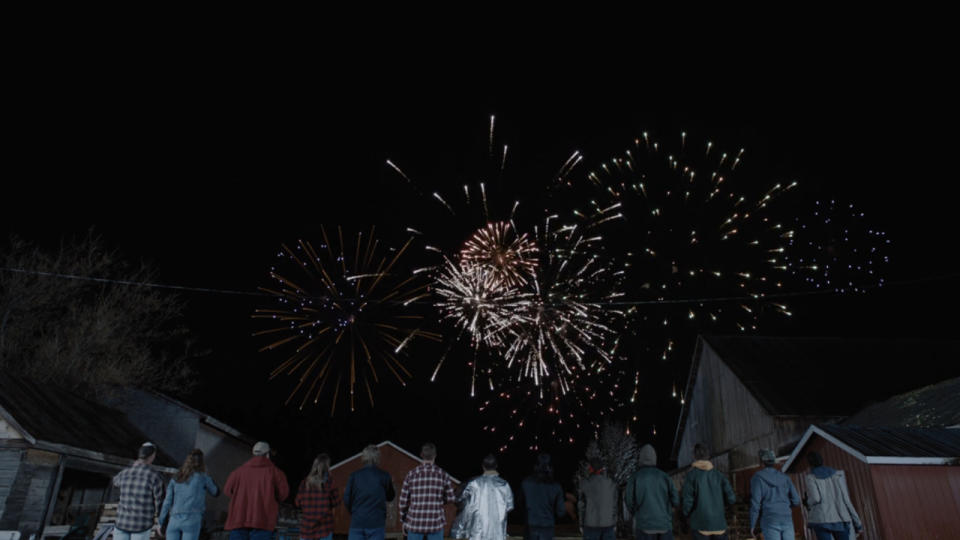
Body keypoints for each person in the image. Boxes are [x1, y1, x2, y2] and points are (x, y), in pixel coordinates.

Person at [224, 441, 290, 540]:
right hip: (263, 522)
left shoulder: (237, 472)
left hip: (239, 519)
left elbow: (227, 491)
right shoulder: (276, 473)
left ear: (253, 454)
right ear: (268, 455)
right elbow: (283, 495)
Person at [399, 443, 457, 540]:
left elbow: (403, 501)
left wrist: (403, 520)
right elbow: (451, 498)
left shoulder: (411, 474)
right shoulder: (443, 474)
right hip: (435, 523)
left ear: (421, 455)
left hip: (414, 523)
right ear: (435, 455)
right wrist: (437, 500)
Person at [159, 449, 220, 540]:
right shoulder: (203, 478)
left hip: (174, 520)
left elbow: (167, 502)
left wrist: (161, 522)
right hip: (192, 520)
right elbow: (216, 492)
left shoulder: (176, 478)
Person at [451, 454, 514, 540]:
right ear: (496, 466)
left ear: (483, 466)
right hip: (497, 532)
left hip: (478, 532)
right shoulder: (504, 485)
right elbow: (510, 507)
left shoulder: (474, 484)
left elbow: (460, 501)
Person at [680, 444, 736, 540]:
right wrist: (729, 510)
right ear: (708, 456)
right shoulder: (719, 475)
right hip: (719, 525)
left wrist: (684, 517)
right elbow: (731, 498)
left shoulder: (691, 476)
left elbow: (687, 501)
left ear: (695, 456)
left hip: (700, 525)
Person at [803, 452, 863, 539]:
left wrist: (807, 502)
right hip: (840, 517)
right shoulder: (836, 476)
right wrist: (858, 523)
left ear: (809, 463)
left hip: (821, 519)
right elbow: (846, 500)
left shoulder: (811, 478)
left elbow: (816, 498)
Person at [113, 442, 165, 540]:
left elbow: (115, 483)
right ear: (152, 456)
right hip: (141, 525)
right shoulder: (155, 476)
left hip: (121, 522)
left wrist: (133, 467)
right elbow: (160, 502)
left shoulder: (124, 473)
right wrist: (161, 523)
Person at [625, 444, 678, 540]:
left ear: (640, 458)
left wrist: (636, 512)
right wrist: (668, 511)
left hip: (644, 524)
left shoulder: (635, 477)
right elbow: (675, 499)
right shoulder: (664, 477)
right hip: (664, 524)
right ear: (655, 458)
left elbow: (628, 500)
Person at [344, 444, 396, 540]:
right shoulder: (384, 476)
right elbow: (390, 497)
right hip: (376, 523)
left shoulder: (354, 476)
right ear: (378, 458)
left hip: (357, 522)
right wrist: (390, 484)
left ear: (363, 457)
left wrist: (354, 512)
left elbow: (346, 498)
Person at [749, 449, 801, 540]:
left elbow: (755, 504)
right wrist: (785, 506)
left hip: (770, 519)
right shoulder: (785, 478)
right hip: (786, 518)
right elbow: (796, 500)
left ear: (762, 462)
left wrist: (752, 524)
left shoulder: (758, 478)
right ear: (773, 462)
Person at [296, 453, 342, 540]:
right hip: (325, 526)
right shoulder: (330, 482)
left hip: (307, 527)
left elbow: (297, 502)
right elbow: (337, 502)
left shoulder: (305, 482)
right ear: (327, 466)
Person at [521, 454, 567, 540]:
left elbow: (519, 504)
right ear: (550, 468)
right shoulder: (556, 486)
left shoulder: (526, 483)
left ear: (535, 467)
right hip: (547, 526)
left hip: (530, 525)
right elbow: (561, 512)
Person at [577, 457, 617, 540]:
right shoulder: (611, 483)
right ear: (602, 468)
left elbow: (581, 506)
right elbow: (614, 505)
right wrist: (614, 522)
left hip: (590, 525)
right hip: (608, 525)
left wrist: (581, 524)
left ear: (590, 468)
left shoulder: (584, 483)